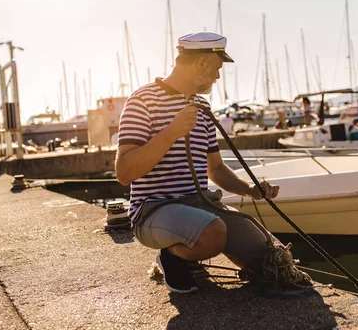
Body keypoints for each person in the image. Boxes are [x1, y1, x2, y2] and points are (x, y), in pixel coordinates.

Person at [115, 32, 307, 294]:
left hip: (199, 205)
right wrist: (171, 132)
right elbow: (124, 172)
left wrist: (250, 189)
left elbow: (215, 168)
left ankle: (187, 252)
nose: (218, 76)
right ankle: (171, 256)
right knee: (213, 233)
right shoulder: (142, 101)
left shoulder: (202, 106)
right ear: (202, 64)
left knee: (270, 259)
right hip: (152, 211)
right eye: (217, 69)